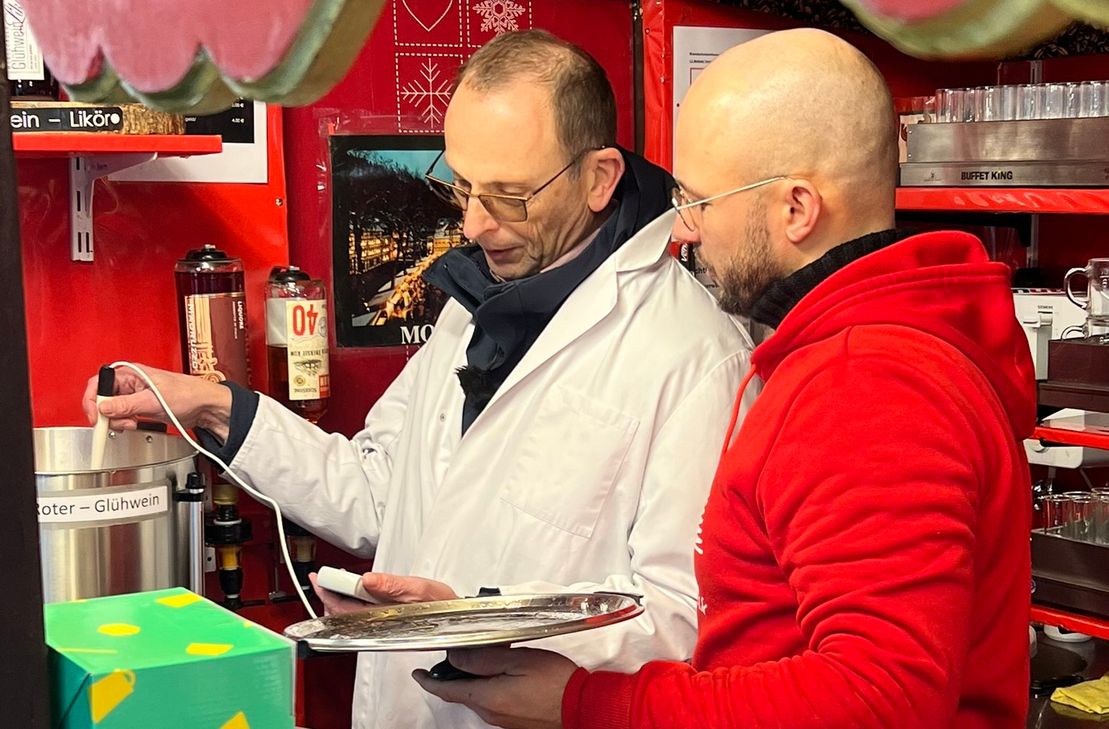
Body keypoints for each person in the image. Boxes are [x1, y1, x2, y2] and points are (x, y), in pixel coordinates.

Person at [83, 30, 755, 729]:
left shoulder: (693, 355)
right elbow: (379, 493)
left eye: (510, 195)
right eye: (462, 186)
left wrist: (472, 621)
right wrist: (214, 408)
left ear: (599, 178)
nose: (475, 223)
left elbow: (682, 620)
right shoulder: (477, 305)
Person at [414, 28, 1036, 729]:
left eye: (701, 199)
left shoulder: (865, 383)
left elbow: (877, 699)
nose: (682, 229)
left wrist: (587, 702)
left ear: (795, 208)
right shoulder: (851, 353)